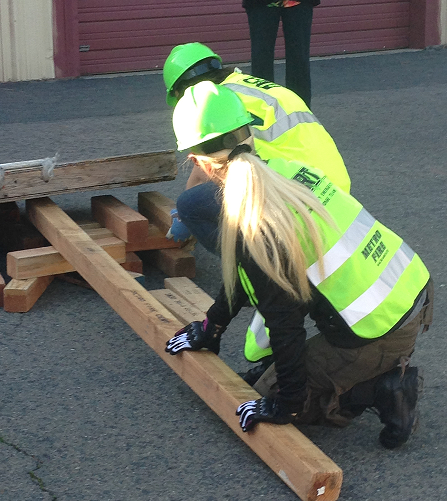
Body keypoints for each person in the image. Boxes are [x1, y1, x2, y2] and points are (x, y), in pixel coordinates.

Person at [165, 81, 433, 449]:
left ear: (196, 161)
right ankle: (366, 368)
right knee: (278, 378)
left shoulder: (254, 222)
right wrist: (213, 325)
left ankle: (384, 389)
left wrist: (286, 404)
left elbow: (284, 321)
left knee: (270, 392)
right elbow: (245, 276)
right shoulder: (284, 169)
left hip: (382, 326)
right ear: (250, 135)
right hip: (409, 291)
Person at [163, 41, 349, 378]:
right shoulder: (252, 85)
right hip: (335, 194)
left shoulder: (217, 103)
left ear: (181, 90)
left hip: (295, 199)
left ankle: (258, 274)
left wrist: (183, 218)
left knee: (194, 204)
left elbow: (207, 163)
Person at [243, 0, 319, 109]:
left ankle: (300, 112)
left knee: (299, 58)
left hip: (299, 3)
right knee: (261, 57)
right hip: (260, 3)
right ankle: (262, 110)